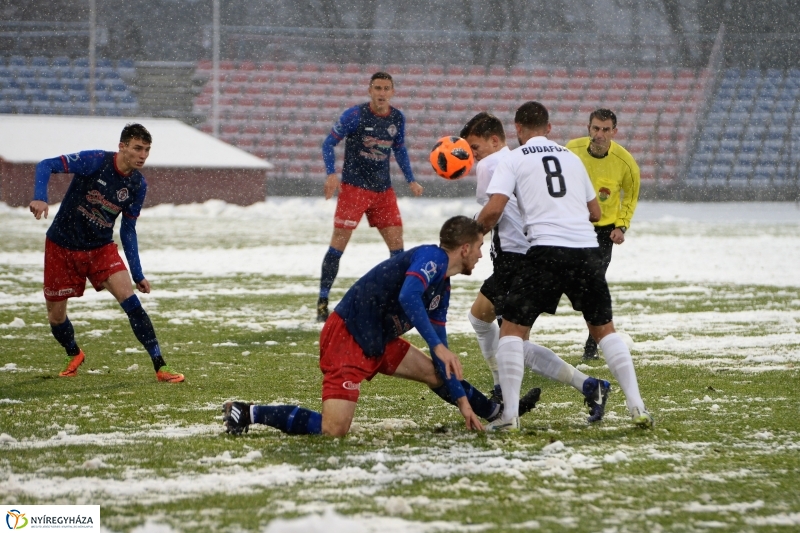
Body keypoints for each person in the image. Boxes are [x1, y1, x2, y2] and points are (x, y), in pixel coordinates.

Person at [223, 216, 540, 437]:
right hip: (347, 336)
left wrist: (462, 403)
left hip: (378, 338)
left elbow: (439, 352)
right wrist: (440, 347)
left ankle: (494, 412)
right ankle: (247, 412)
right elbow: (408, 295)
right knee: (334, 431)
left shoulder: (442, 286)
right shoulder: (433, 257)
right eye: (480, 246)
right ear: (465, 249)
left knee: (434, 370)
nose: (482, 254)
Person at [476, 102, 653, 429]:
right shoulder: (571, 158)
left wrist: (473, 230)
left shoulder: (513, 159)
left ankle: (509, 416)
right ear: (549, 129)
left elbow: (493, 210)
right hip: (585, 250)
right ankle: (637, 407)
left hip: (545, 250)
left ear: (517, 128)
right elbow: (596, 213)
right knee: (605, 331)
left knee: (512, 332)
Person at [461, 112, 611, 425]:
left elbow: (491, 213)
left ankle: (507, 392)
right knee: (490, 323)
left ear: (495, 140)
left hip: (516, 260)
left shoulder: (493, 164)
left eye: (475, 147)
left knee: (509, 338)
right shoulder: (521, 158)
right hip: (530, 256)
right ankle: (587, 385)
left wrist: (466, 240)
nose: (472, 155)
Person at [28, 123, 184, 383]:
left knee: (131, 302)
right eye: (137, 148)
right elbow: (45, 164)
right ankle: (74, 352)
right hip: (61, 247)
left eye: (146, 150)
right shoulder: (95, 161)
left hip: (100, 249)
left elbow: (128, 230)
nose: (142, 155)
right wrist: (40, 196)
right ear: (122, 146)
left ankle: (160, 366)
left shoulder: (137, 185)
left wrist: (137, 273)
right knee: (56, 318)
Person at [317, 71, 424, 323]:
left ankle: (397, 302)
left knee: (398, 249)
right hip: (354, 190)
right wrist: (331, 174)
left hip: (383, 191)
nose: (382, 93)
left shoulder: (397, 118)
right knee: (338, 246)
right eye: (377, 88)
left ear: (393, 92)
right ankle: (322, 301)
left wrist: (411, 180)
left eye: (386, 88)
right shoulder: (354, 115)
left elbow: (400, 149)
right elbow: (327, 144)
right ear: (370, 90)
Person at [565, 109, 640, 360]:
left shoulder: (625, 162)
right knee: (561, 282)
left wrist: (621, 225)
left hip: (603, 233)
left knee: (594, 286)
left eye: (606, 130)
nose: (600, 134)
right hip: (572, 227)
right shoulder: (570, 151)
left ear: (614, 132)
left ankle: (592, 344)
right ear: (589, 128)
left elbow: (630, 195)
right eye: (596, 128)